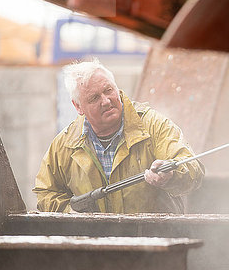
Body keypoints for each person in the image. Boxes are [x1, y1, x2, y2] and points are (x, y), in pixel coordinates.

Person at [33, 58, 204, 214]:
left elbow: (193, 170)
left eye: (108, 90)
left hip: (153, 242)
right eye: (94, 98)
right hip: (93, 245)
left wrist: (171, 174)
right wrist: (72, 213)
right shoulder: (64, 144)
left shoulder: (154, 126)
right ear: (78, 107)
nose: (106, 101)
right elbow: (46, 193)